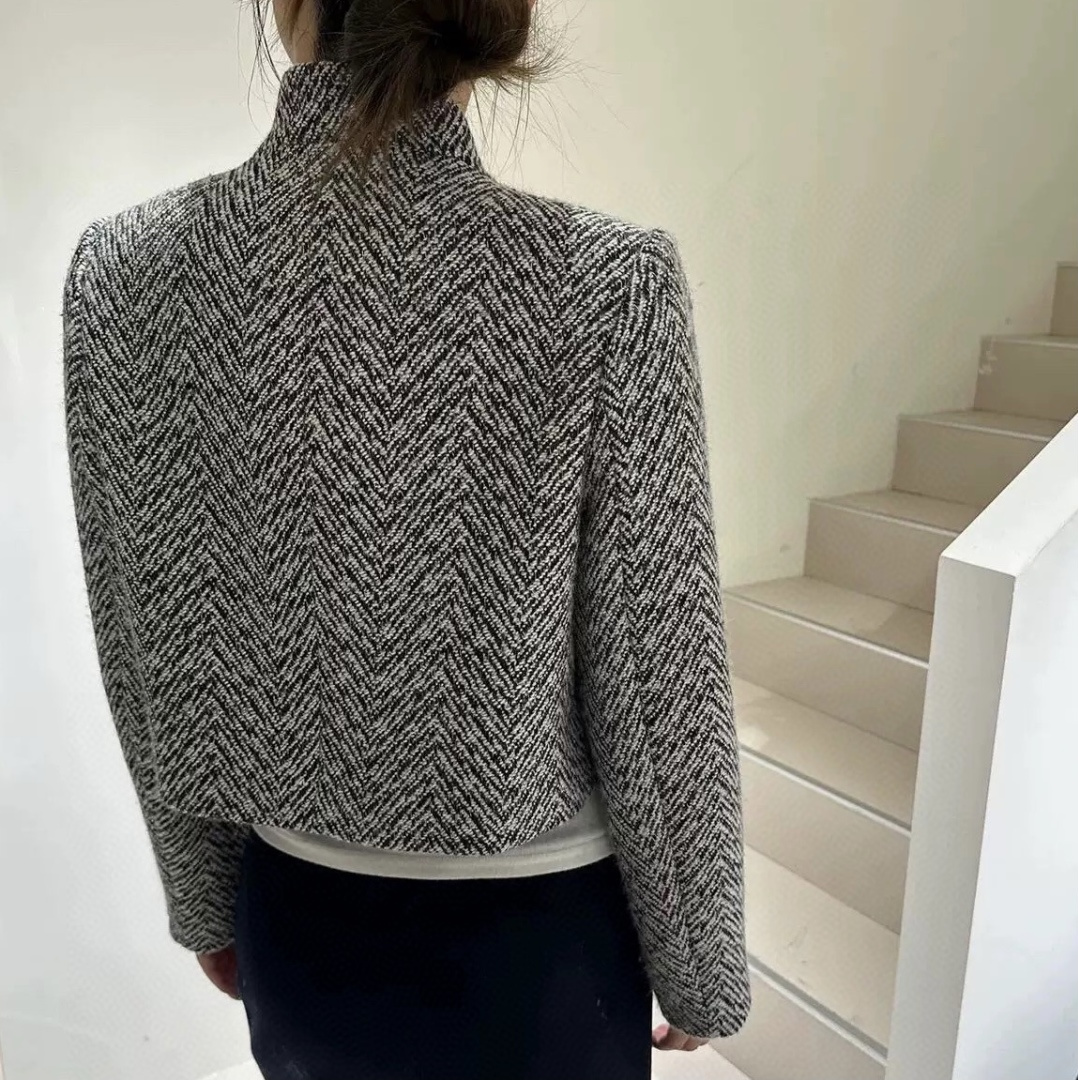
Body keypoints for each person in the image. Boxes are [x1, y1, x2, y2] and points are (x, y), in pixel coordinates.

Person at [60, 0, 750, 1076]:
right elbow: (658, 673)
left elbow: (142, 631)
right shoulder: (605, 284)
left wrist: (204, 900)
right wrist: (699, 961)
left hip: (299, 926)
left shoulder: (124, 272)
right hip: (535, 953)